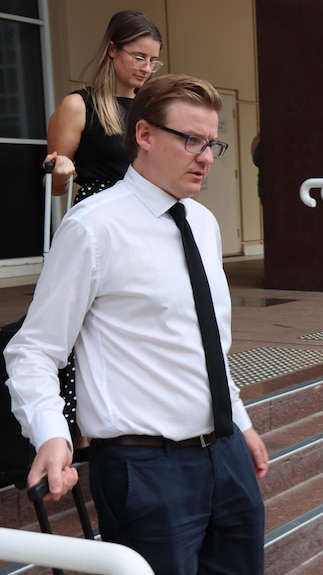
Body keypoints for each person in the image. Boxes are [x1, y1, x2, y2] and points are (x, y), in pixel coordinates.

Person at [5, 74, 268, 575]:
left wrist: (243, 423)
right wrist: (51, 434)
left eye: (213, 143)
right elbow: (33, 350)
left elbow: (204, 344)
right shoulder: (92, 226)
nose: (206, 156)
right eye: (191, 139)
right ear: (144, 135)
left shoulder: (203, 223)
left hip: (227, 454)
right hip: (146, 468)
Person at [45, 10, 162, 205]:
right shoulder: (79, 106)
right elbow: (55, 189)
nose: (147, 69)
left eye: (152, 61)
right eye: (139, 58)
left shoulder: (152, 108)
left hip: (147, 212)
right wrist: (60, 174)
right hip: (101, 212)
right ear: (112, 50)